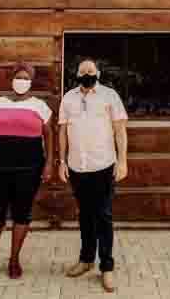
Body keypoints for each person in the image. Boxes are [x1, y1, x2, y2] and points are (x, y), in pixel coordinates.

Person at [0, 62, 53, 281]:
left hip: (29, 168)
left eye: (26, 78)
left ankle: (14, 261)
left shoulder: (40, 106)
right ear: (12, 79)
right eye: (18, 77)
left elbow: (49, 135)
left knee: (21, 214)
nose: (21, 81)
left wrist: (50, 163)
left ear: (31, 82)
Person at [57, 59, 128, 293]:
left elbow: (120, 130)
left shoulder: (110, 96)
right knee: (85, 216)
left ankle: (106, 267)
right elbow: (63, 132)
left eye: (90, 70)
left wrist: (123, 161)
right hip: (78, 167)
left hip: (104, 165)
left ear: (98, 73)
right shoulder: (68, 98)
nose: (87, 73)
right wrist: (62, 161)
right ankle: (86, 259)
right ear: (76, 74)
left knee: (104, 216)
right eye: (82, 71)